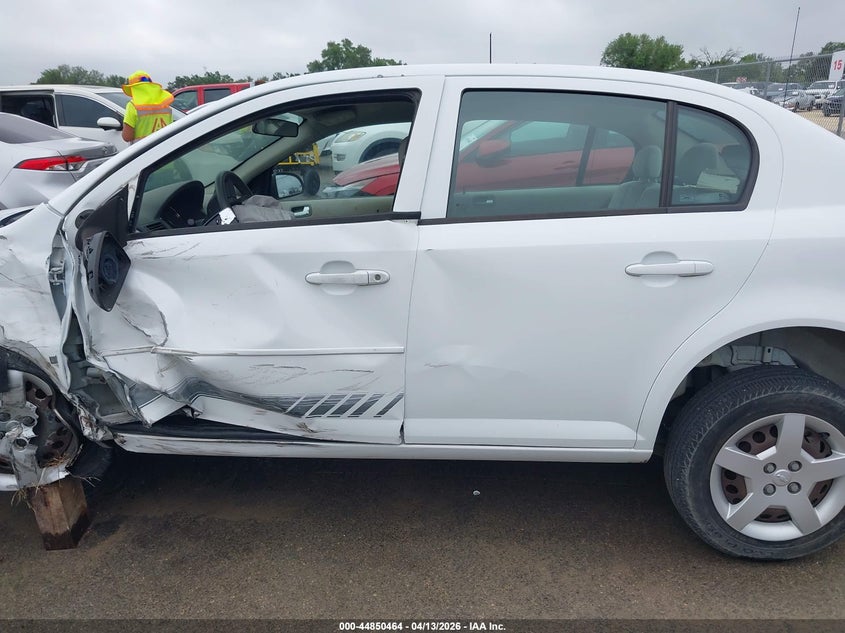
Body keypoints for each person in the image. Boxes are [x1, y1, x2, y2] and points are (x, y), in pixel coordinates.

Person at [121, 70, 174, 144]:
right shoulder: (164, 104)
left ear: (133, 89)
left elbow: (127, 137)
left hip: (144, 149)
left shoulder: (133, 105)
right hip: (165, 147)